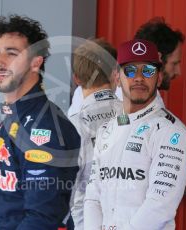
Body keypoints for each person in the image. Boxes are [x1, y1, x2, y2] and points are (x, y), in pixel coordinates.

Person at [68, 17, 186, 196]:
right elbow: (130, 179)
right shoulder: (131, 105)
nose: (178, 71)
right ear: (157, 60)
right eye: (174, 63)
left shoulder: (89, 94)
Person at [0, 15, 80, 230]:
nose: (0, 61)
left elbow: (42, 217)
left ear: (35, 63)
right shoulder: (10, 120)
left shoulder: (44, 128)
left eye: (12, 54)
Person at [84, 39, 186, 229]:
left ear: (159, 78)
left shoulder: (171, 133)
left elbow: (160, 206)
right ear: (117, 78)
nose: (138, 77)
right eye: (130, 70)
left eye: (148, 71)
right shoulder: (106, 130)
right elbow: (93, 197)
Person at [68, 39, 123, 230]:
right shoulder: (133, 115)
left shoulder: (72, 124)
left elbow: (70, 188)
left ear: (76, 78)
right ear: (114, 74)